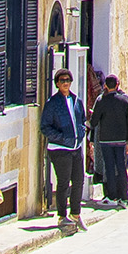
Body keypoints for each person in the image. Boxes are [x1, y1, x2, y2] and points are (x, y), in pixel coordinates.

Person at [40, 70, 89, 231]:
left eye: (68, 80)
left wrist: (81, 133)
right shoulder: (52, 103)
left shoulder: (76, 100)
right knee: (63, 182)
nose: (65, 83)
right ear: (57, 84)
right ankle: (62, 215)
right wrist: (62, 138)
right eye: (62, 80)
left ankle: (76, 214)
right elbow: (45, 127)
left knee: (79, 180)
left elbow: (82, 120)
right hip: (60, 149)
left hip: (76, 147)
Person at [90, 74, 128, 210]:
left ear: (105, 85)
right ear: (117, 85)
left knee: (109, 168)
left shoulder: (101, 101)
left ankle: (112, 196)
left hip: (106, 140)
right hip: (121, 140)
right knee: (121, 168)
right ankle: (124, 197)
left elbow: (94, 122)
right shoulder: (124, 100)